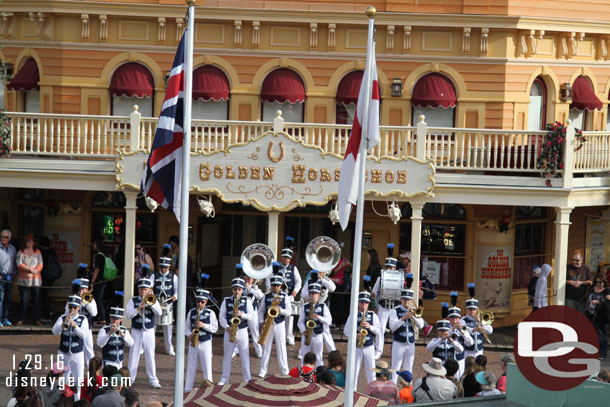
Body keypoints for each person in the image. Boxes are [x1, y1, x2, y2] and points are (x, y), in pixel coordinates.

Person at [218, 272, 255, 385]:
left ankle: (247, 378)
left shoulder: (246, 301)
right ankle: (224, 378)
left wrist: (241, 315)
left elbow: (252, 316)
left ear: (243, 290)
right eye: (235, 289)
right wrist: (226, 327)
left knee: (244, 355)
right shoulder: (226, 301)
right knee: (227, 355)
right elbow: (222, 316)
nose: (237, 291)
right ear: (232, 289)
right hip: (229, 330)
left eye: (239, 289)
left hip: (242, 330)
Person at [126, 278, 162, 388]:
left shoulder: (153, 300)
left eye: (145, 290)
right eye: (141, 289)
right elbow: (128, 315)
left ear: (149, 290)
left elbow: (159, 313)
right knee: (133, 355)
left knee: (150, 355)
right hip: (136, 331)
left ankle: (153, 379)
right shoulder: (132, 301)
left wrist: (151, 304)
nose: (143, 292)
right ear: (138, 290)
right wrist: (139, 307)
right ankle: (130, 378)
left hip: (149, 331)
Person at [52, 295, 89, 401]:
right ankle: (62, 400)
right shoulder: (62, 317)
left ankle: (77, 401)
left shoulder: (83, 319)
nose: (72, 310)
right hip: (63, 352)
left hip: (77, 353)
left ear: (79, 308)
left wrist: (76, 327)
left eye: (74, 307)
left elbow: (84, 335)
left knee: (78, 379)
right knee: (62, 379)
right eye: (70, 307)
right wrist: (63, 325)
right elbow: (54, 332)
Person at [265, 243, 302, 346]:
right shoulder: (275, 267)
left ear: (290, 259)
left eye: (288, 258)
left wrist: (295, 291)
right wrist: (270, 289)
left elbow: (298, 281)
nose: (286, 259)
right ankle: (273, 335)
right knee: (274, 314)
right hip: (276, 294)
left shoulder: (293, 268)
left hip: (289, 296)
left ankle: (289, 337)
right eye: (284, 257)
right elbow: (268, 280)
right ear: (281, 257)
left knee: (289, 317)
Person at [389, 278, 425, 381]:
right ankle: (393, 388)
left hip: (411, 343)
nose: (407, 302)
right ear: (401, 299)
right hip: (398, 342)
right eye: (404, 299)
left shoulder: (414, 311)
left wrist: (413, 315)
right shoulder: (394, 310)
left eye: (409, 300)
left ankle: (407, 389)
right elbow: (392, 327)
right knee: (395, 367)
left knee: (409, 367)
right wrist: (403, 318)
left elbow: (421, 325)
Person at [343, 291, 379, 390]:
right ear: (358, 303)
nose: (364, 305)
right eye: (362, 302)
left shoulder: (373, 315)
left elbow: (378, 330)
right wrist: (355, 335)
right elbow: (346, 331)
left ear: (368, 304)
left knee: (371, 371)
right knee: (354, 371)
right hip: (357, 346)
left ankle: (372, 391)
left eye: (366, 303)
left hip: (369, 346)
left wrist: (370, 327)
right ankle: (352, 392)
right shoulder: (353, 315)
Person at [257, 273, 291, 378]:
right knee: (266, 348)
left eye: (277, 285)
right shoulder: (266, 296)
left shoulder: (285, 297)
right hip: (268, 324)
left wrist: (280, 310)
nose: (275, 287)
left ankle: (284, 370)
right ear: (270, 285)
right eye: (273, 285)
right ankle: (263, 370)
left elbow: (289, 312)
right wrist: (261, 321)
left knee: (281, 347)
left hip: (279, 324)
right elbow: (260, 311)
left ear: (281, 286)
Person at [185, 288, 218, 391]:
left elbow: (215, 328)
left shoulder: (210, 313)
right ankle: (187, 388)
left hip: (206, 342)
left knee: (207, 366)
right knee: (191, 366)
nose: (199, 304)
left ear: (206, 302)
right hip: (194, 342)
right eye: (197, 301)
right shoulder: (191, 312)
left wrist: (203, 325)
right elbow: (186, 327)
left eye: (202, 302)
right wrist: (189, 334)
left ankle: (209, 389)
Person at [371, 243, 401, 359]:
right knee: (380, 329)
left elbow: (402, 292)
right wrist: (374, 294)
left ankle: (396, 351)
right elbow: (375, 291)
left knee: (396, 328)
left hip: (395, 306)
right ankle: (379, 350)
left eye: (391, 268)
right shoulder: (380, 277)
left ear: (394, 268)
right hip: (383, 306)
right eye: (387, 267)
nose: (389, 269)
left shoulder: (399, 277)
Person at [300, 270, 337, 355]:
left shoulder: (325, 280)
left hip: (322, 307)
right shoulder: (310, 280)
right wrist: (312, 296)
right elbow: (303, 294)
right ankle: (303, 350)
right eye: (319, 271)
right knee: (308, 329)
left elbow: (333, 288)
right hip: (311, 307)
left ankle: (332, 352)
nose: (320, 273)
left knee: (326, 330)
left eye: (322, 271)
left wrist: (323, 279)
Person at [298, 281, 332, 367]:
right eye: (312, 293)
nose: (313, 296)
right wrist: (303, 330)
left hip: (317, 335)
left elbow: (329, 321)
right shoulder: (305, 306)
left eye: (315, 293)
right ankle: (304, 374)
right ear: (309, 294)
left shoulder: (323, 306)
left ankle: (319, 375)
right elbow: (300, 322)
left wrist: (319, 317)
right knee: (304, 357)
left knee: (319, 357)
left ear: (319, 295)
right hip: (306, 335)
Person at [66, 279, 97, 365]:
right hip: (73, 328)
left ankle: (92, 372)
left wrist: (86, 302)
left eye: (84, 289)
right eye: (80, 289)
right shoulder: (72, 299)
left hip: (87, 329)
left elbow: (94, 313)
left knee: (89, 351)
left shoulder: (91, 300)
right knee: (71, 350)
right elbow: (66, 312)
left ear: (87, 290)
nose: (82, 291)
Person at [151, 256, 177, 356]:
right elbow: (150, 288)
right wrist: (152, 297)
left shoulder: (173, 276)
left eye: (165, 267)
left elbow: (177, 289)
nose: (163, 269)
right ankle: (149, 346)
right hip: (157, 303)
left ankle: (169, 347)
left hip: (168, 304)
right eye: (162, 267)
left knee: (168, 326)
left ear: (169, 267)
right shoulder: (154, 275)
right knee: (152, 326)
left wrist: (175, 296)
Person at [16, 233, 43, 326]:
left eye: (31, 241)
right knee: (24, 300)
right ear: (25, 242)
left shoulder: (38, 252)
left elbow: (40, 264)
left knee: (36, 300)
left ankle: (36, 319)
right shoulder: (21, 251)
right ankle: (21, 319)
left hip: (35, 280)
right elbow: (19, 264)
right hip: (24, 280)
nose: (30, 242)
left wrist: (33, 272)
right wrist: (29, 269)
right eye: (28, 240)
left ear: (34, 242)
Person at [462, 284, 492, 358]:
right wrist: (474, 329)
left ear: (476, 310)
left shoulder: (481, 318)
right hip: (467, 351)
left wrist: (481, 322)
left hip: (479, 351)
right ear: (466, 310)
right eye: (470, 310)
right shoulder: (463, 320)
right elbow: (464, 329)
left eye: (474, 310)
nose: (472, 312)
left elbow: (490, 330)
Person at [447, 292, 472, 379]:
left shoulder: (463, 328)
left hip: (460, 359)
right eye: (452, 318)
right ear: (449, 318)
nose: (454, 320)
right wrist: (453, 329)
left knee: (458, 380)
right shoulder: (446, 327)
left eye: (456, 318)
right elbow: (444, 336)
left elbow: (470, 343)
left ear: (459, 319)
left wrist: (462, 332)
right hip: (447, 359)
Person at [586, 274, 610, 360]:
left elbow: (608, 300)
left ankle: (603, 353)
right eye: (596, 282)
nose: (598, 284)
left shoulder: (607, 290)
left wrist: (598, 301)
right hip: (591, 314)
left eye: (600, 282)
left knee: (602, 335)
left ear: (604, 282)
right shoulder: (592, 289)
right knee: (592, 334)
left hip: (602, 315)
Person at [39, 236, 61, 321]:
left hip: (43, 277)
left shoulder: (42, 253)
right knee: (45, 295)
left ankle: (47, 314)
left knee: (43, 296)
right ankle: (48, 312)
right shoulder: (53, 252)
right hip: (51, 277)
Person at [243, 274, 264, 358]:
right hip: (242, 312)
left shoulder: (255, 288)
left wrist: (250, 289)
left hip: (253, 313)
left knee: (255, 332)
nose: (247, 280)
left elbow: (260, 296)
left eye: (249, 279)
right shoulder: (240, 287)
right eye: (245, 278)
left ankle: (259, 351)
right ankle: (236, 350)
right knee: (239, 331)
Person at [0, 229, 17, 326]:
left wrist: (14, 273)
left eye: (5, 237)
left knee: (8, 299)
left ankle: (5, 318)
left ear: (9, 238)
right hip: (1, 277)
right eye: (2, 236)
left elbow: (14, 262)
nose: (3, 238)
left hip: (10, 277)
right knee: (0, 299)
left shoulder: (13, 249)